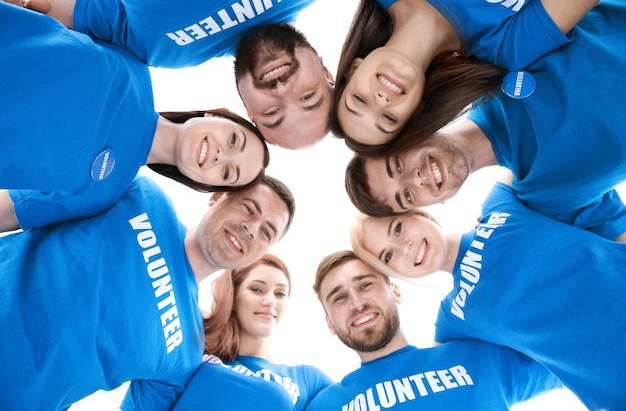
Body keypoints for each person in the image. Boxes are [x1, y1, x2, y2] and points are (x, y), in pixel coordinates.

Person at [0, 172, 295, 411]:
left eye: (267, 232)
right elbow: (18, 207)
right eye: (248, 208)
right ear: (217, 196)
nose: (252, 229)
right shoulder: (141, 193)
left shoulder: (187, 351)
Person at [345, 0, 626, 242]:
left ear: (409, 129)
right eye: (406, 197)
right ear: (432, 207)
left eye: (396, 165)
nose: (415, 180)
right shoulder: (547, 197)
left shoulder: (495, 56)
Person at [349, 175, 626, 410]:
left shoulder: (499, 203)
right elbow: (435, 389)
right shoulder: (452, 318)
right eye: (387, 257)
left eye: (397, 229)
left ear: (419, 213)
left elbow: (537, 150)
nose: (404, 248)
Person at [0, 3, 269, 232]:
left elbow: (9, 212)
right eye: (234, 141)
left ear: (208, 184)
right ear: (219, 114)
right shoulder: (134, 59)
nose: (221, 155)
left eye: (226, 172)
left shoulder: (101, 195)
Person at [1, 0, 335, 149]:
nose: (282, 89)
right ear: (327, 73)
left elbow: (44, 5)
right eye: (308, 97)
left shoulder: (164, 51)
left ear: (247, 111)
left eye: (273, 112)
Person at [330, 0, 603, 154]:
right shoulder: (506, 47)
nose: (379, 100)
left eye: (359, 101)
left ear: (354, 67)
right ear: (416, 109)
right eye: (389, 118)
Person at [307, 250, 562, 410]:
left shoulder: (474, 357)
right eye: (338, 298)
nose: (357, 303)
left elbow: (574, 350)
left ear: (395, 292)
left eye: (365, 285)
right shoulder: (325, 404)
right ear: (330, 323)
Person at [171, 254, 332, 411]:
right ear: (233, 297)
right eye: (257, 289)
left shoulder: (308, 380)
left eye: (280, 294)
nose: (270, 301)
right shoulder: (197, 356)